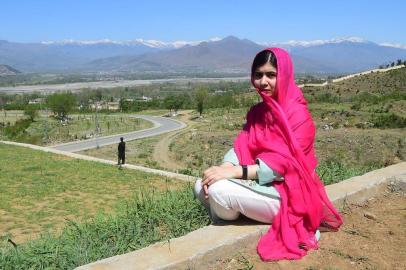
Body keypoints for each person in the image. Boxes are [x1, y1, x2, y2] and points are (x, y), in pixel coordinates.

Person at [194, 48, 342, 261]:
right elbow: (241, 144)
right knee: (201, 184)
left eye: (271, 75)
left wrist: (233, 173)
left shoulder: (298, 116)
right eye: (258, 74)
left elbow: (281, 167)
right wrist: (225, 166)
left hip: (290, 196)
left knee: (218, 189)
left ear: (284, 75)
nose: (263, 81)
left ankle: (238, 214)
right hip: (262, 187)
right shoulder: (258, 112)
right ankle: (238, 210)